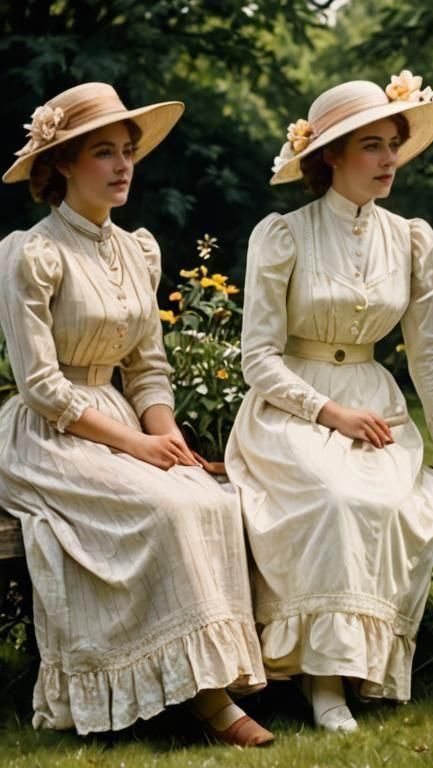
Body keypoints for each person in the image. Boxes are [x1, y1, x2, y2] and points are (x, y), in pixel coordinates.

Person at [0, 83, 270, 744]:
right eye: (103, 153)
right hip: (49, 433)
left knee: (209, 499)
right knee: (168, 508)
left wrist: (168, 441)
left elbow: (147, 367)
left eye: (128, 152)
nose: (123, 166)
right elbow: (39, 385)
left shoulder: (135, 250)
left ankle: (202, 679)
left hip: (121, 417)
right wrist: (134, 447)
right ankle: (202, 704)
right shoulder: (32, 254)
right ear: (62, 162)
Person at [226, 71, 433, 732]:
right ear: (330, 158)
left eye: (392, 143)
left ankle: (360, 666)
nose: (389, 159)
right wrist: (329, 413)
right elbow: (257, 357)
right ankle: (322, 682)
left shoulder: (411, 238)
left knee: (384, 502)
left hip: (377, 405)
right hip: (291, 409)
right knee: (334, 497)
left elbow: (427, 352)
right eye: (371, 146)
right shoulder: (281, 235)